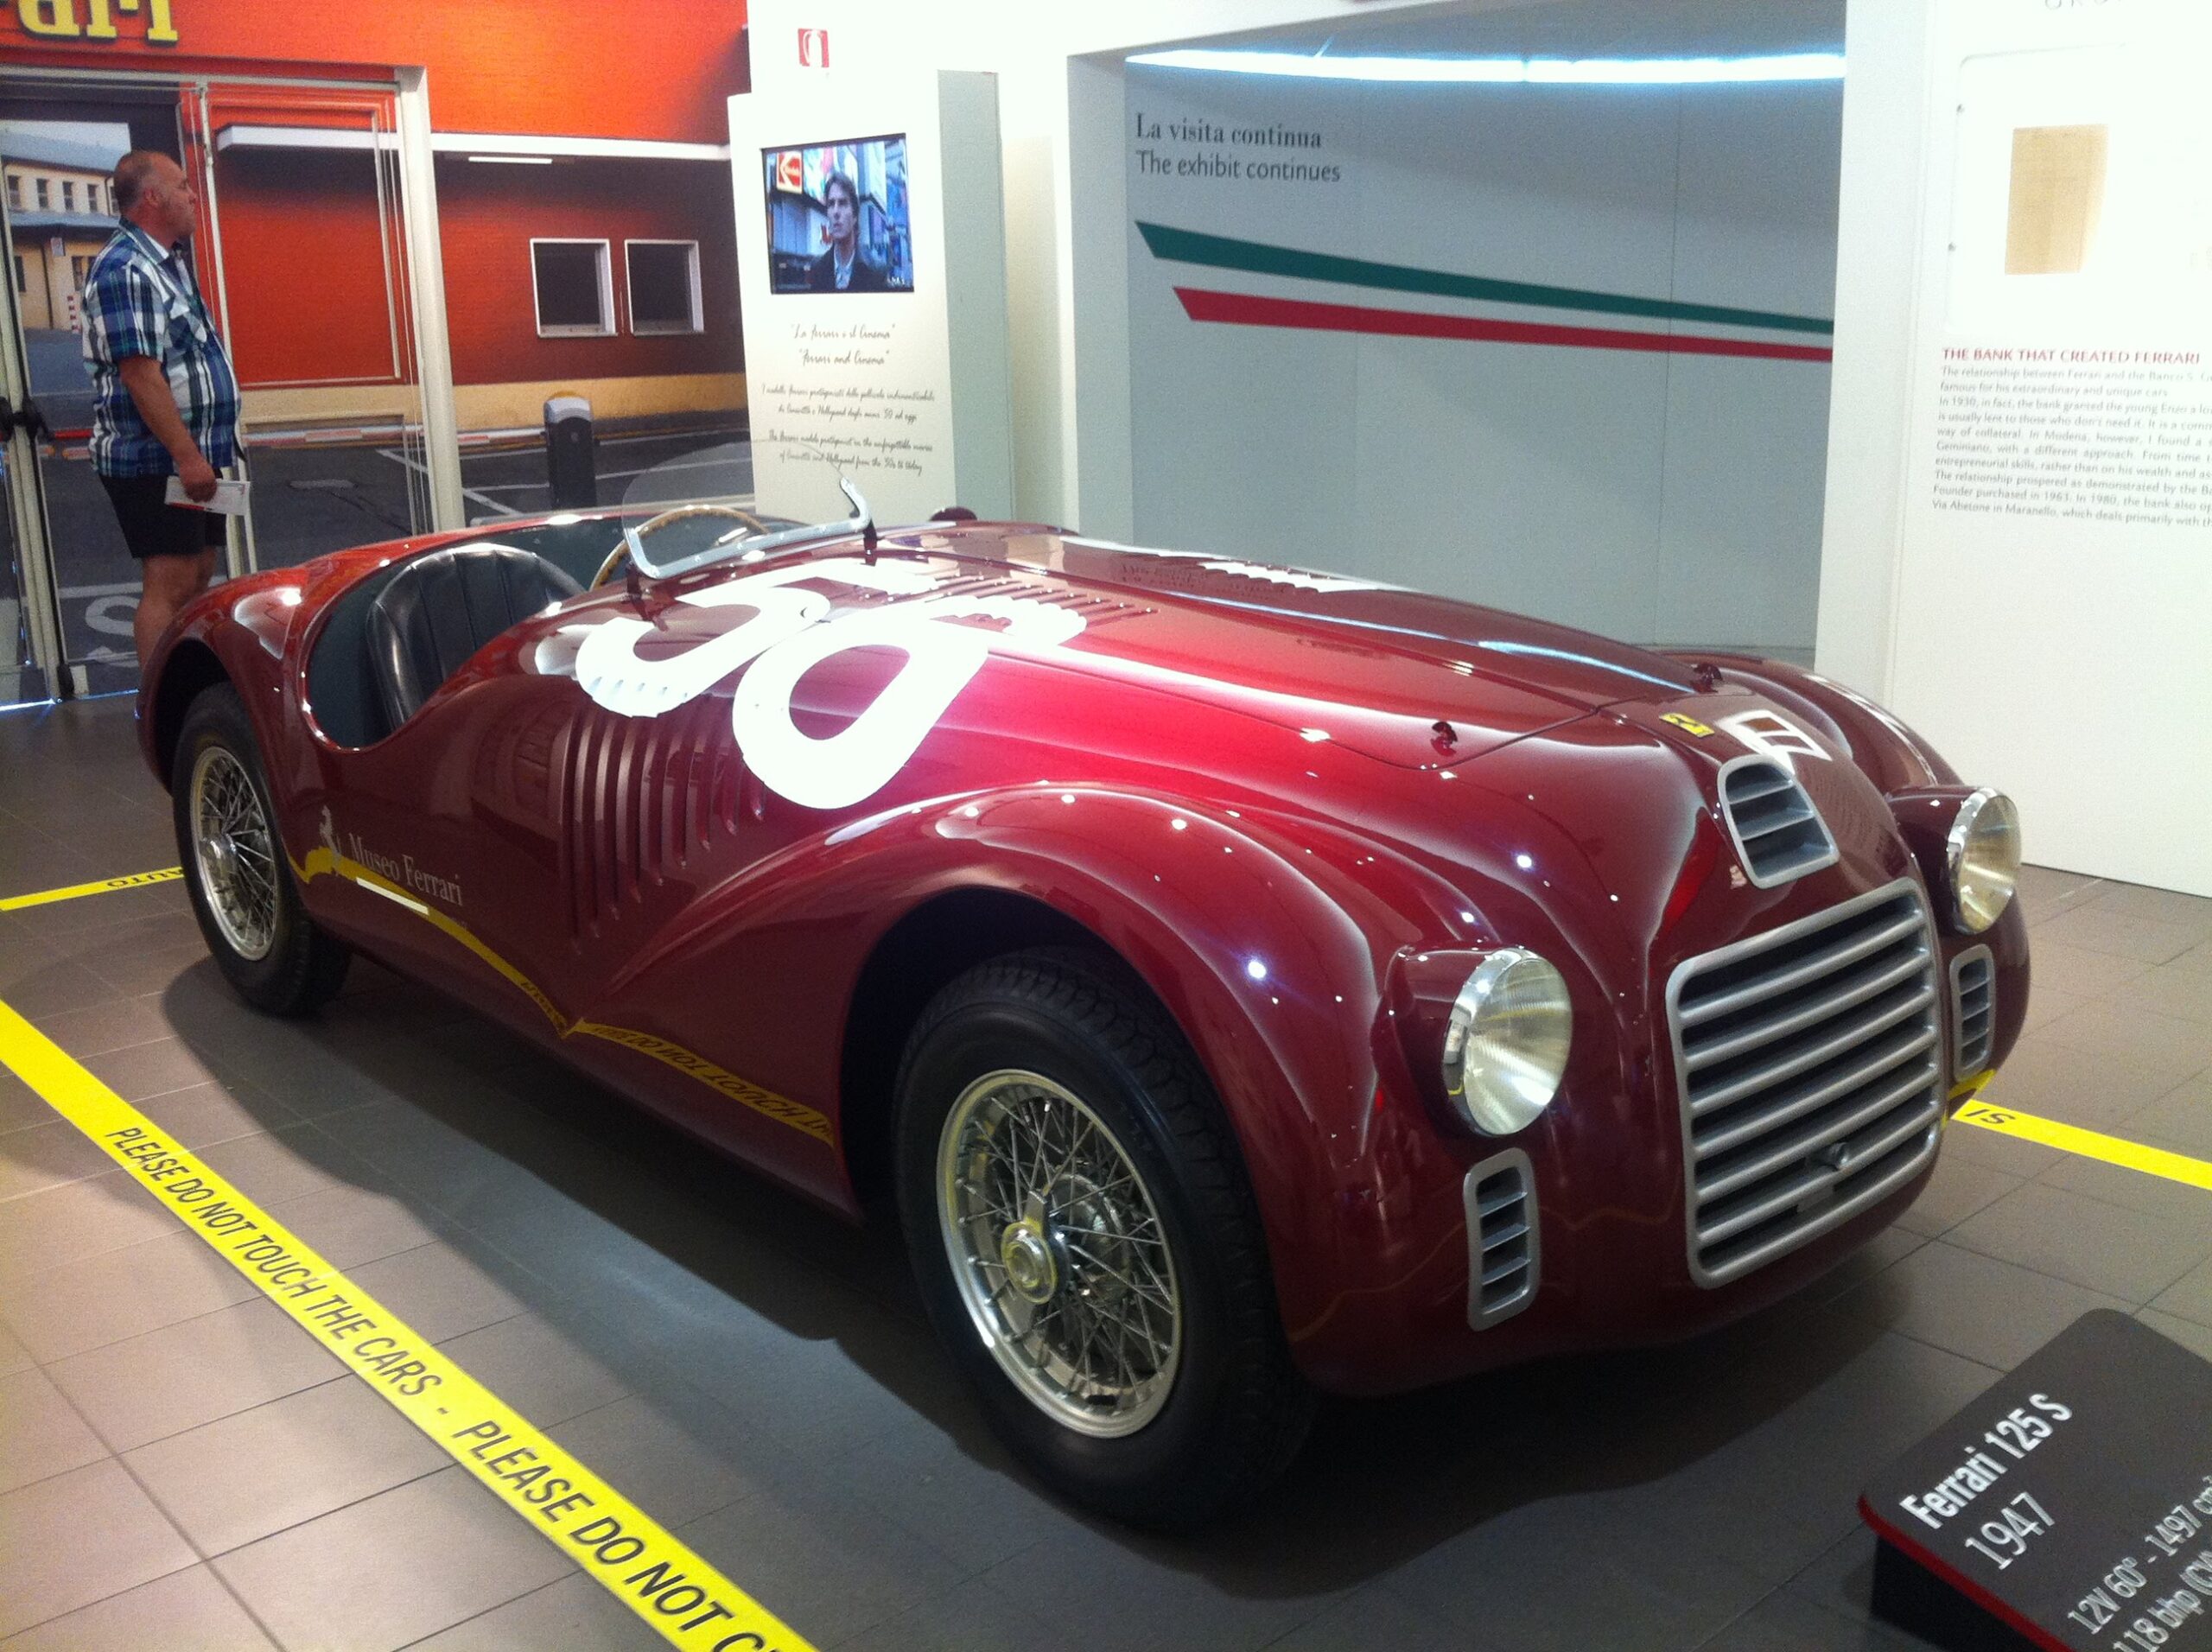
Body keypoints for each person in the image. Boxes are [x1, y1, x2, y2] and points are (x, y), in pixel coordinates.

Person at [81, 149, 240, 665]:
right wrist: (188, 456)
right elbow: (141, 374)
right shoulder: (125, 268)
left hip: (191, 455)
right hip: (156, 460)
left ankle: (187, 689)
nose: (193, 196)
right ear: (152, 197)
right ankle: (160, 715)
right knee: (170, 585)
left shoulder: (166, 262)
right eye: (183, 187)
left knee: (196, 576)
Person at [805, 171, 890, 292]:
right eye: (831, 204)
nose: (836, 212)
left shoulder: (876, 271)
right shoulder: (817, 269)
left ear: (855, 215)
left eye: (843, 203)